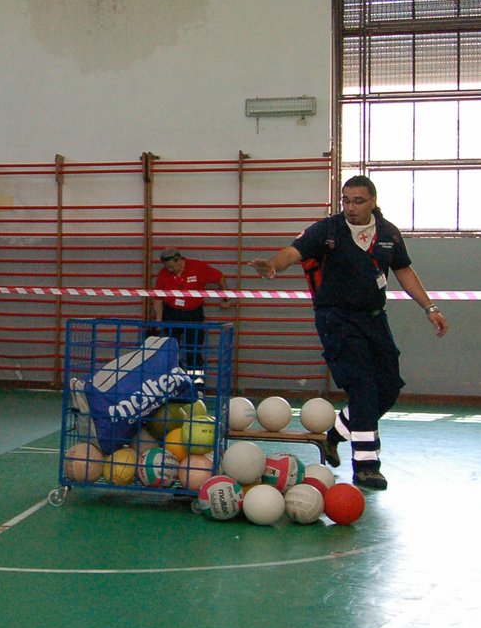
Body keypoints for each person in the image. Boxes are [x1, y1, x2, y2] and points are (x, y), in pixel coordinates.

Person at [250, 175, 448, 490]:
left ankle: (336, 433)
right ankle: (367, 466)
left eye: (358, 201)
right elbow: (293, 252)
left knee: (388, 387)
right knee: (363, 387)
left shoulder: (388, 235)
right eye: (346, 200)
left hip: (374, 319)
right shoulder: (328, 230)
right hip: (336, 319)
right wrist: (274, 265)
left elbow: (404, 271)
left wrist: (430, 308)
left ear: (373, 202)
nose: (350, 207)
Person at [153, 248, 231, 387]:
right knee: (171, 350)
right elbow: (158, 298)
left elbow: (220, 277)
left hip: (193, 313)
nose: (170, 270)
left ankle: (197, 384)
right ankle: (176, 384)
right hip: (171, 314)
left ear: (179, 260)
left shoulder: (198, 267)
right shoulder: (163, 274)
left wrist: (226, 298)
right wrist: (159, 319)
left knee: (194, 350)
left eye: (171, 266)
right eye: (167, 267)